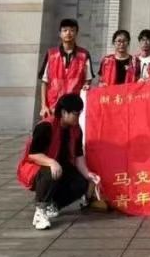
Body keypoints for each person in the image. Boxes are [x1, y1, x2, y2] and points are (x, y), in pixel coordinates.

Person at [17, 94, 102, 229]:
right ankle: (40, 211)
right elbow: (33, 155)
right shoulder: (46, 126)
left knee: (81, 183)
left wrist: (88, 174)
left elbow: (79, 156)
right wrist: (51, 162)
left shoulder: (76, 130)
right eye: (75, 114)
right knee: (51, 171)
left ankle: (54, 204)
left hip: (61, 167)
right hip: (36, 167)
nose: (78, 117)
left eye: (79, 113)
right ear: (63, 112)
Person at [38, 18, 94, 118]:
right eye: (65, 30)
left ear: (76, 33)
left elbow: (88, 80)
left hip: (74, 107)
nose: (68, 33)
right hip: (53, 106)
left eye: (72, 30)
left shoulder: (84, 55)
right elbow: (44, 82)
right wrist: (43, 106)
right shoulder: (51, 54)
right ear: (60, 33)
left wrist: (86, 86)